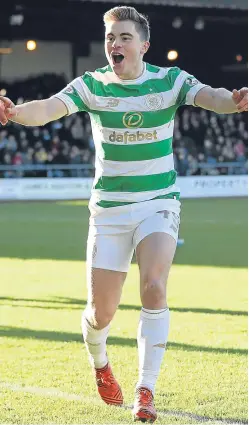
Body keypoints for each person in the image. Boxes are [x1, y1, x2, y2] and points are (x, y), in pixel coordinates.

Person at [0, 6, 247, 422]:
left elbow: (213, 97)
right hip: (109, 211)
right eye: (110, 37)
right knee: (101, 314)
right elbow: (46, 109)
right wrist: (13, 112)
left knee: (153, 285)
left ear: (144, 45)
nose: (115, 44)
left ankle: (145, 389)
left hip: (158, 202)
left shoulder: (170, 81)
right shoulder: (93, 85)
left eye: (124, 37)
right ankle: (100, 364)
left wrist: (236, 101)